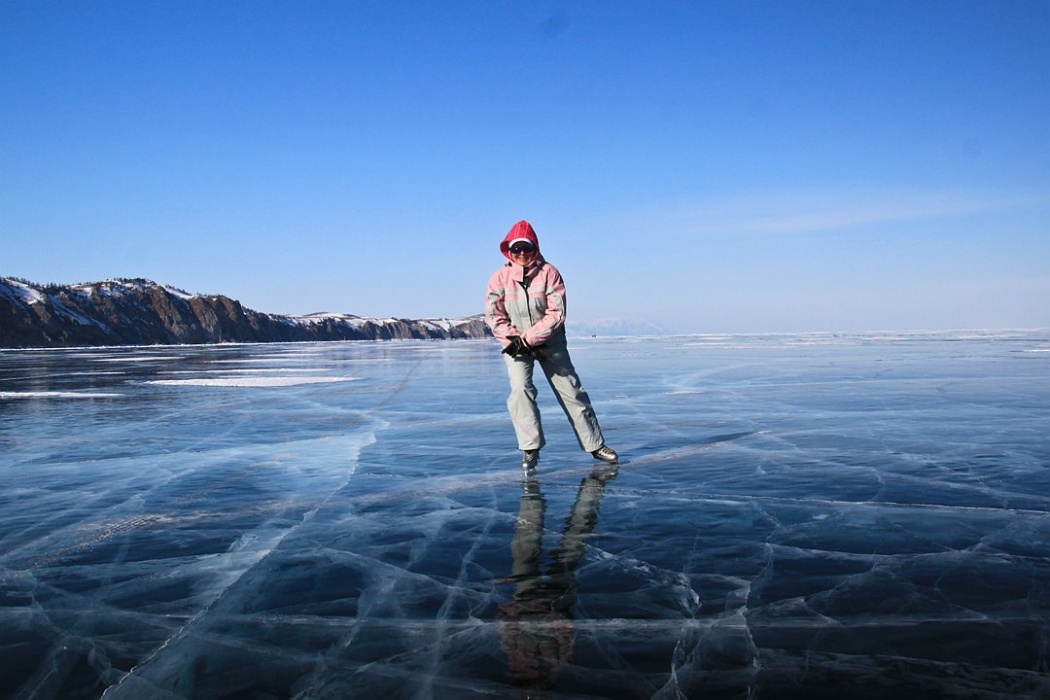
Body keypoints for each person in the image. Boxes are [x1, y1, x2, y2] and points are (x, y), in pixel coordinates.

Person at [485, 220, 619, 470]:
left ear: (534, 248)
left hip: (550, 340)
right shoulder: (499, 278)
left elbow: (556, 312)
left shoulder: (549, 273)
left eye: (526, 248)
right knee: (520, 390)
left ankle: (595, 444)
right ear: (509, 251)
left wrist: (530, 338)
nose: (522, 254)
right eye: (517, 250)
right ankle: (530, 448)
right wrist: (516, 340)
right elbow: (494, 315)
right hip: (515, 344)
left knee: (571, 390)